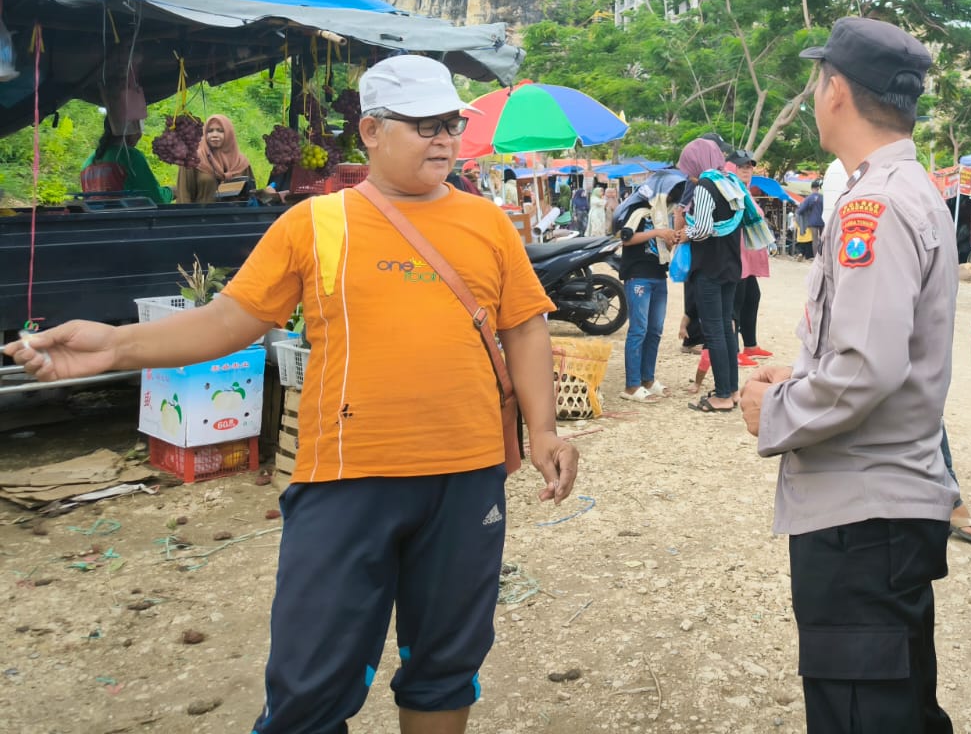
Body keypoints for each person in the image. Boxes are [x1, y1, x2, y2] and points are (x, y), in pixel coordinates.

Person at [8, 55, 580, 733]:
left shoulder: (486, 223)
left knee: (446, 663)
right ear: (371, 130)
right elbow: (228, 321)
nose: (444, 140)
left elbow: (523, 326)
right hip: (345, 479)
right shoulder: (314, 224)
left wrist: (544, 430)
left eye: (451, 124)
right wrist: (114, 345)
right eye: (424, 125)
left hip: (467, 475)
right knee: (311, 682)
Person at [740, 16, 958, 733]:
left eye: (816, 83)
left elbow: (865, 367)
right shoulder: (906, 188)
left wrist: (776, 410)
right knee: (898, 705)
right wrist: (799, 370)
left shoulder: (875, 202)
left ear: (835, 90)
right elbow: (871, 345)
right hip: (881, 508)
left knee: (863, 714)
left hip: (862, 516)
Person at [679, 138, 746, 413]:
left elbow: (704, 228)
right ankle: (732, 390)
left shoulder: (706, 186)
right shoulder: (730, 181)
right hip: (730, 263)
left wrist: (685, 234)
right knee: (727, 328)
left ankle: (721, 395)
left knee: (714, 331)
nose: (689, 175)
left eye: (688, 167)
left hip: (709, 265)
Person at [614, 182, 679, 402]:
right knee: (638, 330)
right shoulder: (637, 210)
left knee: (655, 330)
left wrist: (670, 239)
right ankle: (631, 386)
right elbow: (626, 238)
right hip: (638, 275)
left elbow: (665, 247)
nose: (671, 199)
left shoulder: (665, 215)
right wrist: (657, 231)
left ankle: (647, 379)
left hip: (659, 274)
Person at [728, 151, 773, 361]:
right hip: (736, 255)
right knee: (734, 302)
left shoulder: (745, 191)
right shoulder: (731, 190)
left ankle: (750, 345)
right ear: (731, 168)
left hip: (748, 255)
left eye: (749, 166)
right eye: (741, 166)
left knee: (752, 296)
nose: (746, 170)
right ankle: (733, 351)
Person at [80, 120, 168, 205]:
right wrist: (171, 192)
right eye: (140, 129)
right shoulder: (130, 156)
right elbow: (157, 199)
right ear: (131, 131)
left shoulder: (87, 163)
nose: (140, 135)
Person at [174, 114, 256, 204]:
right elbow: (184, 195)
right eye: (210, 131)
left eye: (220, 131)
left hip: (236, 212)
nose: (214, 135)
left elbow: (251, 197)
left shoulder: (241, 162)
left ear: (229, 134)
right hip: (203, 212)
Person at [795, 180, 824, 258]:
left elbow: (801, 210)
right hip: (822, 221)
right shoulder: (822, 197)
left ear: (811, 188)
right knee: (822, 239)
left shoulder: (808, 198)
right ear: (818, 188)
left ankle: (816, 258)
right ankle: (823, 256)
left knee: (815, 240)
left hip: (812, 222)